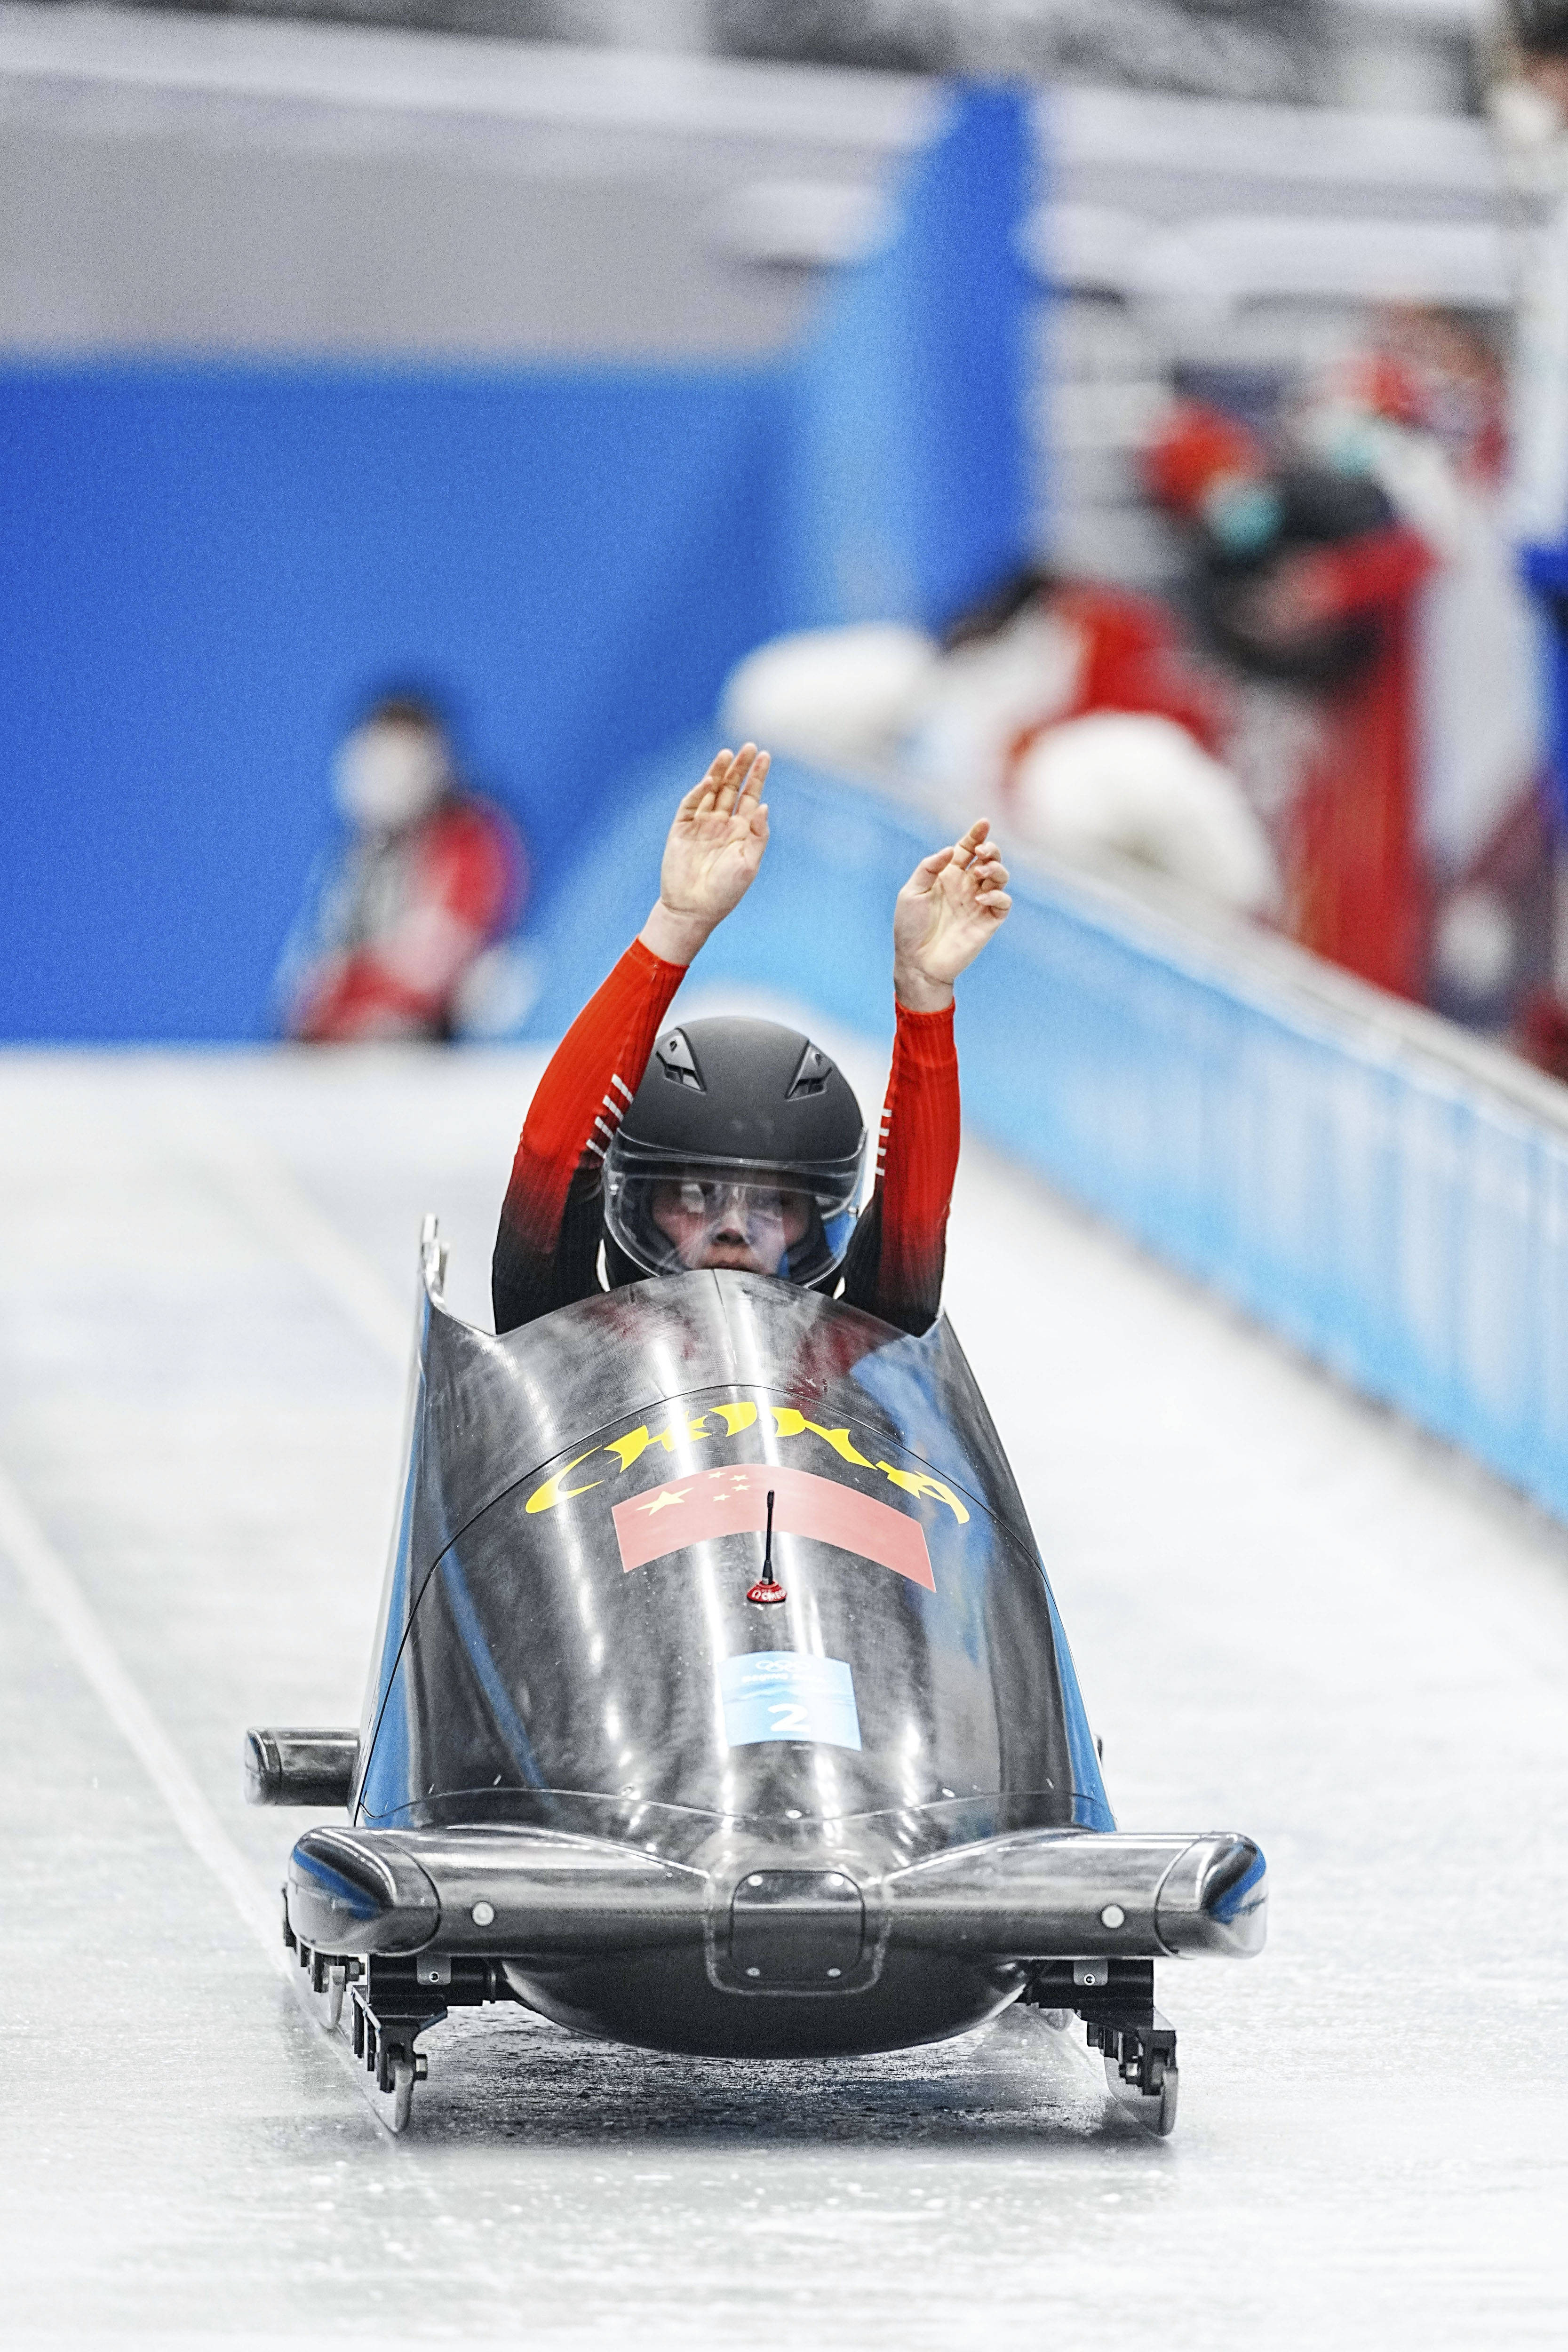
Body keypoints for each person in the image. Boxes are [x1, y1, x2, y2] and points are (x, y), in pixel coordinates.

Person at [492, 742, 1010, 1338]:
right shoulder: (560, 1333)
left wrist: (924, 991)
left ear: (822, 1225)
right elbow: (552, 1158)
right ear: (629, 1208)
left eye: (777, 1205)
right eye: (692, 1195)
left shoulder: (866, 1355)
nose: (735, 1227)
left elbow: (911, 1229)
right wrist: (676, 924)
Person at [278, 695, 526, 1043]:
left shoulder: (468, 839)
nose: (383, 782)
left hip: (422, 1050)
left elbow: (428, 972)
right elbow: (306, 987)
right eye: (372, 766)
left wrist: (347, 990)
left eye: (398, 767)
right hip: (332, 1052)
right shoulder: (356, 854)